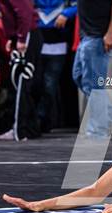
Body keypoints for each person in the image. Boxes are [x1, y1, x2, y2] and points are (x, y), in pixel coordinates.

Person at [72, 0, 112, 138]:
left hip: (100, 35)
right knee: (78, 75)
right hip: (88, 34)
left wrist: (111, 33)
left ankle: (98, 131)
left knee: (95, 85)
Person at [0, 0, 43, 141]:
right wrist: (12, 37)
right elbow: (10, 15)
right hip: (23, 35)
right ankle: (29, 128)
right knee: (18, 83)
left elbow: (25, 12)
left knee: (22, 83)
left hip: (27, 35)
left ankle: (20, 130)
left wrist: (21, 37)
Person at [34, 0, 77, 132]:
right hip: (37, 43)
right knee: (36, 84)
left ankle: (40, 119)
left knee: (49, 85)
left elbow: (80, 5)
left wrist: (66, 14)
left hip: (59, 43)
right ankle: (36, 119)